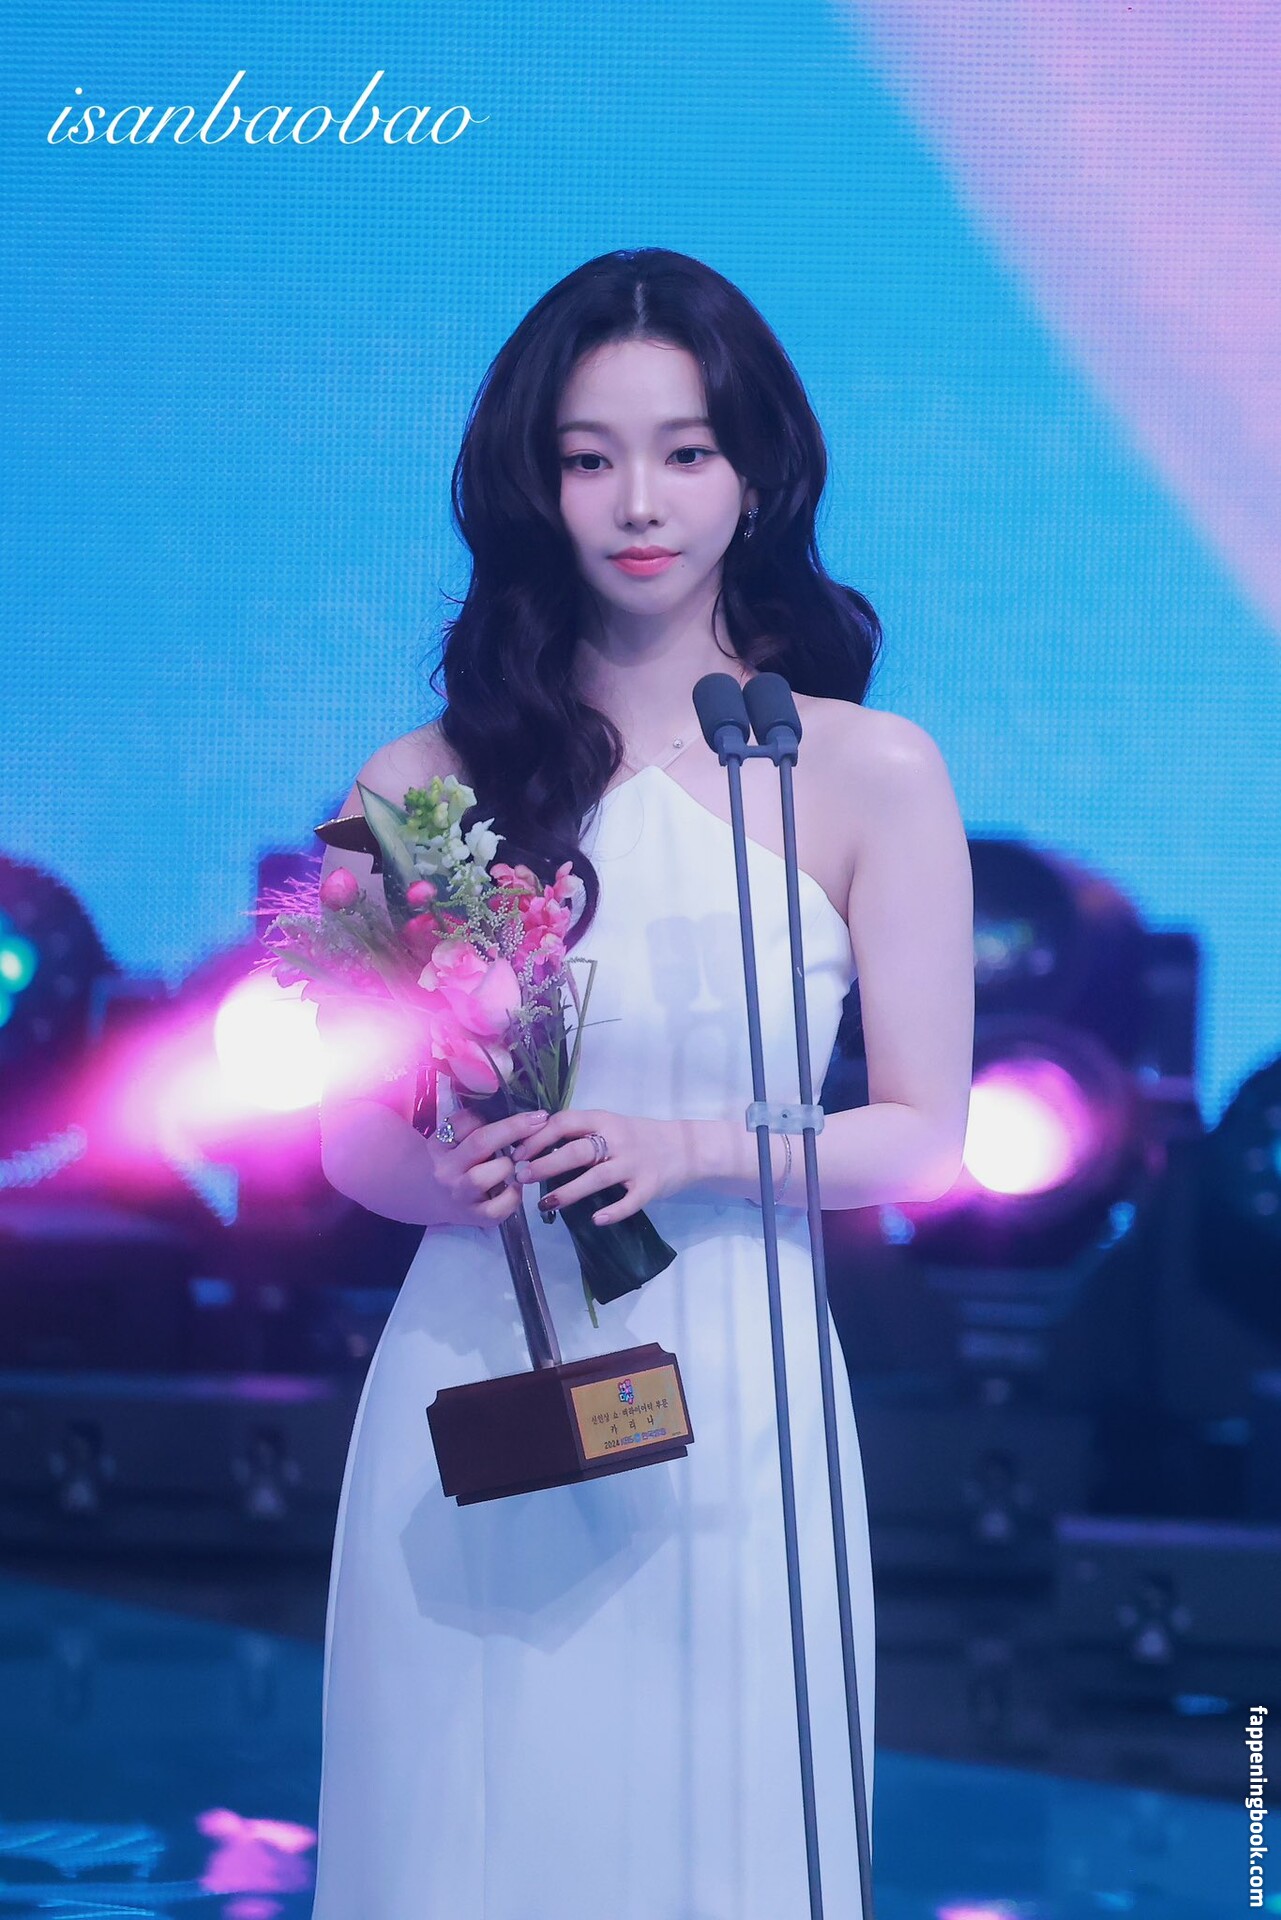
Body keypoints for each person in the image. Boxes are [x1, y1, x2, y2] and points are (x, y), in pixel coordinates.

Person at [309, 248, 974, 1919]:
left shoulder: (861, 769)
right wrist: (437, 1173)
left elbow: (923, 1135)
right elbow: (346, 1143)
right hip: (482, 1370)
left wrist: (688, 1147)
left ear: (756, 474)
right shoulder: (418, 786)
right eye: (588, 457)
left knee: (720, 1831)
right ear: (531, 485)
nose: (638, 502)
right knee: (465, 1838)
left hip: (736, 1378)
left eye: (684, 451)